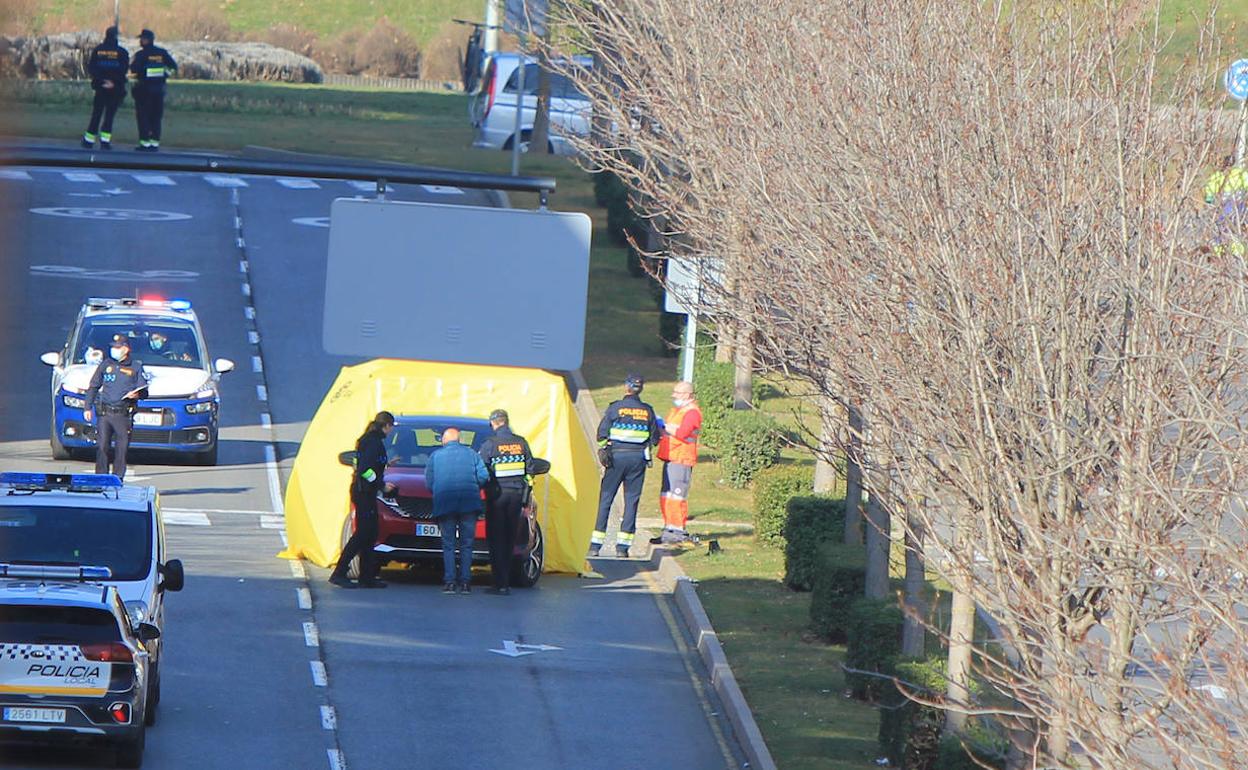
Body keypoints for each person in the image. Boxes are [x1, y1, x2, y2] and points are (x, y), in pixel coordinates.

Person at [590, 373, 659, 558]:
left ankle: (595, 546)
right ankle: (623, 547)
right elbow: (655, 438)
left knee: (606, 500)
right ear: (640, 389)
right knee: (631, 501)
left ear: (625, 387)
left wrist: (605, 449)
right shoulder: (647, 411)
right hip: (637, 460)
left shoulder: (615, 408)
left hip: (616, 459)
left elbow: (601, 434)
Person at [329, 411, 397, 589]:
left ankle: (367, 576)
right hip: (364, 493)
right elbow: (366, 470)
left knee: (371, 534)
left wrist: (387, 465)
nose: (390, 432)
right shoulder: (374, 443)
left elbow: (369, 465)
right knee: (362, 534)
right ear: (386, 426)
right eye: (391, 428)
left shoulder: (369, 440)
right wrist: (382, 485)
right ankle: (340, 572)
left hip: (364, 492)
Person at [477, 409, 535, 595]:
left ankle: (498, 583)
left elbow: (482, 471)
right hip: (517, 497)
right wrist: (526, 495)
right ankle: (506, 583)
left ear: (494, 423)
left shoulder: (490, 444)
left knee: (496, 539)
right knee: (510, 539)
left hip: (497, 497)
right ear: (507, 422)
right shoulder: (521, 443)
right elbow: (531, 470)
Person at [426, 427, 489, 594]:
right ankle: (466, 583)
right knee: (467, 545)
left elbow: (429, 482)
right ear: (459, 440)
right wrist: (474, 488)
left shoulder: (435, 456)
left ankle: (450, 583)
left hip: (445, 505)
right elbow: (484, 476)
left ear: (444, 441)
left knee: (448, 545)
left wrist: (439, 492)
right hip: (469, 504)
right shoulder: (472, 455)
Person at [83, 334, 148, 480]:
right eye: (113, 347)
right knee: (102, 446)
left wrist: (137, 395)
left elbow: (144, 391)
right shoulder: (106, 364)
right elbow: (94, 386)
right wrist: (87, 407)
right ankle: (100, 478)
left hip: (122, 414)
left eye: (118, 347)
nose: (114, 350)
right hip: (105, 413)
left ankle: (117, 478)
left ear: (126, 349)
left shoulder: (135, 367)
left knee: (121, 449)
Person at [651, 381, 703, 546]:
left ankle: (678, 530)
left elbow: (682, 433)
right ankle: (669, 530)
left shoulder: (692, 413)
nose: (674, 396)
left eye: (677, 393)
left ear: (687, 395)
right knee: (667, 495)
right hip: (672, 457)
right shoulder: (679, 411)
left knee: (677, 496)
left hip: (682, 458)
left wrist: (664, 426)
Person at [82, 26, 129, 150]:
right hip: (115, 88)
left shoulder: (98, 50)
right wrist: (113, 82)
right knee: (109, 115)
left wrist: (102, 81)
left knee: (96, 114)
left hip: (100, 87)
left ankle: (88, 141)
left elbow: (92, 67)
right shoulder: (122, 52)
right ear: (116, 37)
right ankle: (105, 142)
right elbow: (123, 70)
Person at [129, 29, 176, 152]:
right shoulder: (162, 53)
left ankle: (145, 143)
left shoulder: (141, 55)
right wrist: (165, 75)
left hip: (144, 90)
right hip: (159, 89)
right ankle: (154, 143)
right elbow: (174, 67)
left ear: (147, 40)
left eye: (142, 39)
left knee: (143, 117)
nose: (140, 41)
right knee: (156, 116)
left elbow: (134, 70)